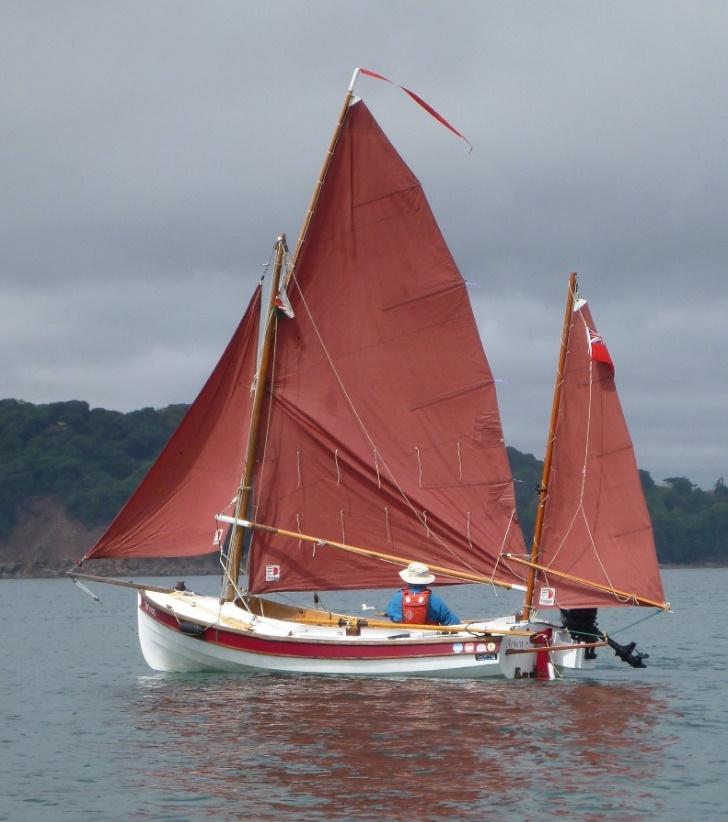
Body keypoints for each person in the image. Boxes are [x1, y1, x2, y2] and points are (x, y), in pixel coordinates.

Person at [384, 561, 460, 626]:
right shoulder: (435, 600)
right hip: (429, 636)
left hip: (402, 635)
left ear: (407, 580)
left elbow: (391, 615)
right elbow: (453, 622)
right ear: (426, 581)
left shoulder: (397, 598)